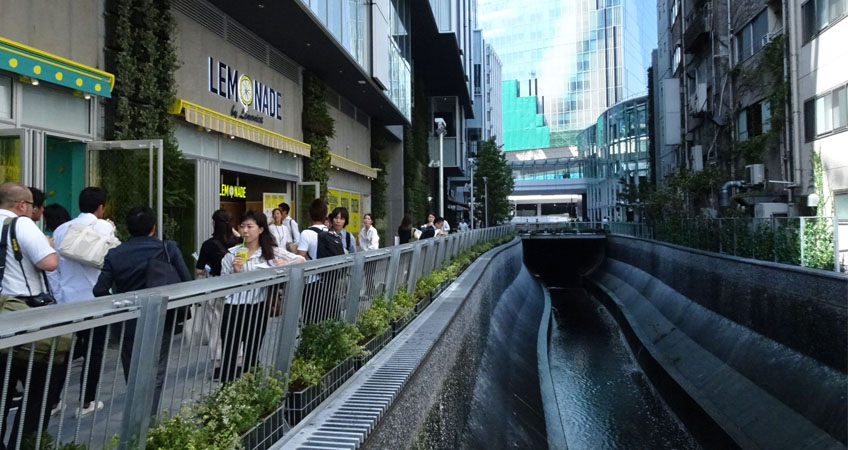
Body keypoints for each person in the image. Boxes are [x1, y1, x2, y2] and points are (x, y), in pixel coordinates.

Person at [92, 206, 191, 414]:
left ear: (128, 229)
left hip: (128, 320)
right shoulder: (168, 248)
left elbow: (99, 290)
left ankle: (138, 413)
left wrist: (119, 306)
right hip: (159, 318)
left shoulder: (115, 254)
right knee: (156, 369)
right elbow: (186, 282)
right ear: (153, 228)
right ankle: (147, 418)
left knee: (133, 369)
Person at [0, 182, 58, 450]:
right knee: (38, 389)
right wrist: (47, 245)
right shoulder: (20, 224)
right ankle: (24, 444)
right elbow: (49, 262)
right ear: (21, 205)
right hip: (23, 315)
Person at [49, 187, 116, 418]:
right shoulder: (104, 227)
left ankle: (53, 401)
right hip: (96, 300)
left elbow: (53, 270)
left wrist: (59, 296)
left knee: (63, 352)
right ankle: (86, 402)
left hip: (67, 302)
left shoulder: (60, 230)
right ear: (101, 207)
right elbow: (110, 259)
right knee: (94, 351)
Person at [219, 210, 303, 381]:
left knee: (252, 352)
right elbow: (222, 285)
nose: (245, 231)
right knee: (229, 353)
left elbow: (301, 260)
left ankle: (251, 390)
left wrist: (284, 263)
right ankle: (226, 392)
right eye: (242, 227)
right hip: (233, 308)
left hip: (257, 307)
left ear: (261, 229)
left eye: (250, 227)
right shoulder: (231, 254)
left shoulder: (269, 252)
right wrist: (236, 272)